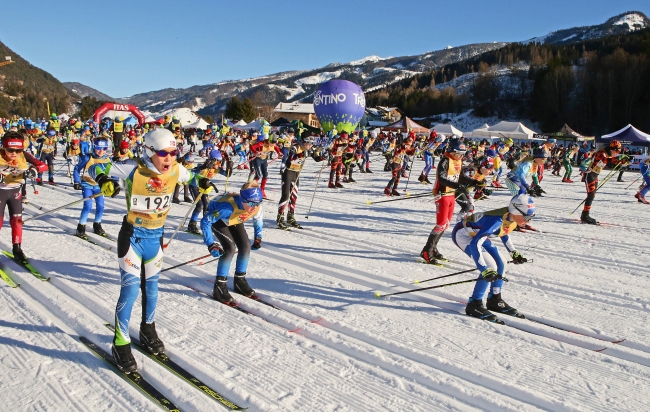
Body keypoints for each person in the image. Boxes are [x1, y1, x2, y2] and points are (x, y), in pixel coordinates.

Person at [90, 128, 214, 372]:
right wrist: (104, 180)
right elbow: (96, 168)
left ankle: (148, 330)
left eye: (173, 153)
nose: (168, 158)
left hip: (156, 238)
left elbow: (192, 178)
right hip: (133, 237)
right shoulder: (132, 169)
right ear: (148, 151)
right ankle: (120, 342)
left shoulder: (176, 169)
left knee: (153, 289)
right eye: (162, 153)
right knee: (130, 291)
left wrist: (203, 182)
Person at [452, 194, 534, 322]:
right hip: (464, 235)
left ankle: (494, 299)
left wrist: (513, 252)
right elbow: (476, 243)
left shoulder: (511, 217)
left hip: (477, 234)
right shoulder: (496, 220)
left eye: (531, 217)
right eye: (527, 217)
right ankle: (474, 304)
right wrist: (484, 269)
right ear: (516, 211)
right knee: (491, 266)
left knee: (502, 263)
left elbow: (504, 232)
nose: (528, 221)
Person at [420, 137, 481, 264]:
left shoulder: (457, 161)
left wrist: (474, 182)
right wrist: (457, 186)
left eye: (463, 154)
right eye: (459, 153)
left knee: (446, 224)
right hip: (441, 195)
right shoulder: (445, 160)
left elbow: (461, 177)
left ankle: (433, 249)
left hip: (451, 194)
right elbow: (442, 179)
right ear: (452, 151)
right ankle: (427, 250)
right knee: (441, 224)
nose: (461, 156)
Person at [200, 181, 263, 303]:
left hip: (234, 218)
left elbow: (258, 219)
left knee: (245, 247)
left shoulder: (255, 206)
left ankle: (240, 280)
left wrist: (258, 237)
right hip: (218, 220)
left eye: (258, 203)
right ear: (243, 200)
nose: (254, 207)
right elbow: (205, 222)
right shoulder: (226, 208)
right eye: (251, 203)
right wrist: (211, 244)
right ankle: (220, 286)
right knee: (230, 249)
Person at [0, 131, 47, 262]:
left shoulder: (24, 155)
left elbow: (43, 165)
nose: (14, 153)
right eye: (10, 150)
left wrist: (33, 171)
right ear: (4, 147)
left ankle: (17, 249)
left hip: (15, 192)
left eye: (18, 150)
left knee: (17, 221)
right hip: (1, 191)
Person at [276, 136, 326, 229]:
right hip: (288, 172)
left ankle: (290, 217)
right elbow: (289, 160)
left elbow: (317, 158)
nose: (310, 146)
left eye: (311, 144)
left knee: (294, 196)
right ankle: (280, 218)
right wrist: (301, 154)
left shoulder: (310, 149)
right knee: (286, 195)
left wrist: (324, 157)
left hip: (296, 173)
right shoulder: (295, 147)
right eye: (309, 144)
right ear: (304, 142)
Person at [581, 140, 628, 224]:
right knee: (591, 194)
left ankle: (585, 214)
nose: (617, 153)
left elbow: (614, 161)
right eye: (617, 151)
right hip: (590, 174)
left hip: (595, 175)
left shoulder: (609, 154)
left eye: (619, 151)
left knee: (592, 195)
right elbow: (603, 158)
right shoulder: (602, 153)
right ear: (612, 149)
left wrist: (622, 163)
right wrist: (615, 160)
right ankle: (585, 215)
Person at [73, 138, 113, 239]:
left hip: (99, 186)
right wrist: (77, 181)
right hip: (87, 185)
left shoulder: (108, 159)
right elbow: (77, 169)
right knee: (88, 206)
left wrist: (114, 182)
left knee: (101, 207)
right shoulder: (87, 158)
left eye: (104, 148)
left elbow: (113, 171)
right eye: (98, 148)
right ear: (94, 147)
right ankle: (81, 227)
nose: (101, 151)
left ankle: (97, 225)